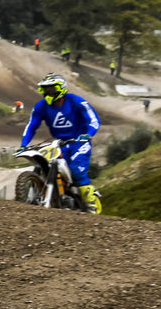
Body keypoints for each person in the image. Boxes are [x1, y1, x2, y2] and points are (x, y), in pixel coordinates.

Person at [19, 73, 102, 213]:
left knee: (76, 169)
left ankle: (90, 205)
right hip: (59, 145)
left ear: (60, 88)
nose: (48, 92)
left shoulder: (75, 101)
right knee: (49, 165)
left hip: (79, 142)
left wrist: (88, 134)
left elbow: (93, 119)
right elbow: (31, 126)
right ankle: (56, 196)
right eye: (45, 89)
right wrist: (23, 145)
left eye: (51, 89)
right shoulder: (41, 106)